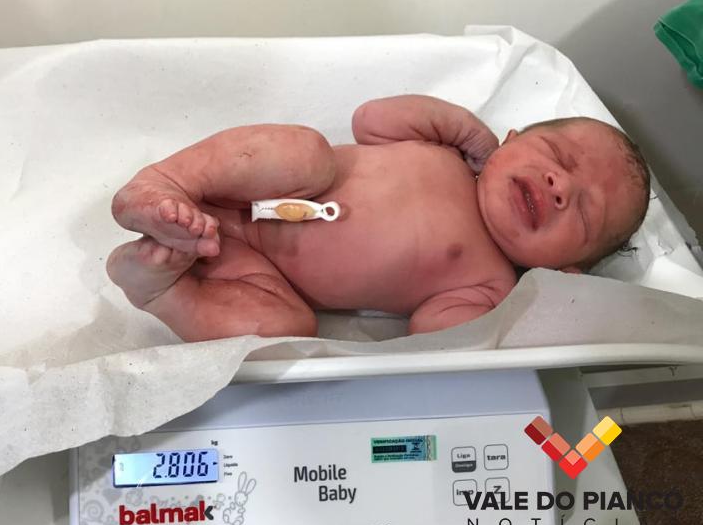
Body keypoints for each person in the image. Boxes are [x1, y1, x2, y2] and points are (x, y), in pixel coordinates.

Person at [106, 95, 650, 341]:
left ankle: (162, 289)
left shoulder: (488, 285)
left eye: (584, 211)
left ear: (566, 271)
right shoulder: (447, 152)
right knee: (306, 152)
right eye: (557, 156)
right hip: (252, 186)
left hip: (252, 269)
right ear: (509, 140)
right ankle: (169, 183)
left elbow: (431, 332)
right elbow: (371, 119)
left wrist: (507, 316)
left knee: (287, 331)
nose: (561, 187)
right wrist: (463, 129)